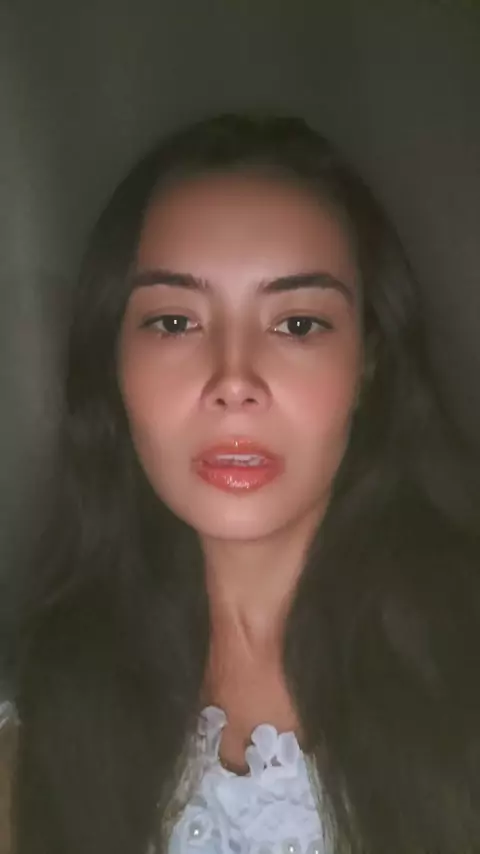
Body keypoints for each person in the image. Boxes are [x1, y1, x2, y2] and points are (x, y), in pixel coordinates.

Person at [5, 113, 480, 854]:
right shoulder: (39, 725)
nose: (233, 380)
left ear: (369, 362)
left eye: (297, 325)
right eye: (174, 322)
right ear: (113, 361)